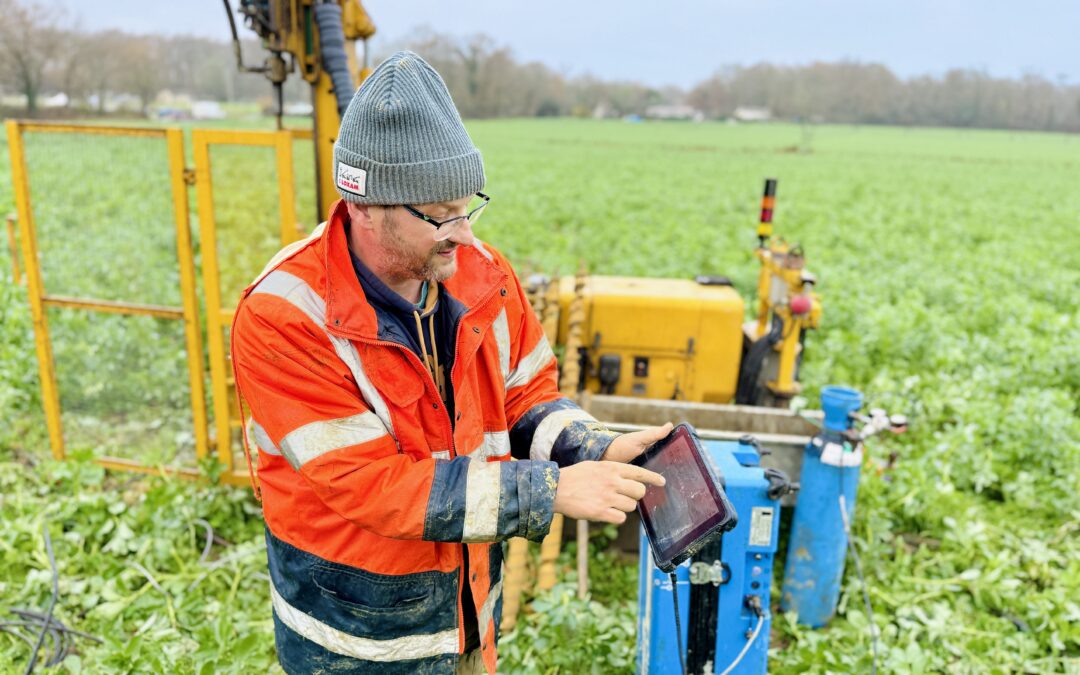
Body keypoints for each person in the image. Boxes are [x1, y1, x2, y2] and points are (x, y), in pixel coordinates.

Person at [231, 50, 670, 675]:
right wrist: (546, 490)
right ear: (365, 205)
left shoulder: (481, 274)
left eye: (469, 207)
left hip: (467, 613)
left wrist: (592, 447)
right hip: (356, 641)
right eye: (439, 215)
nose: (464, 234)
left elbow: (523, 396)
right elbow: (373, 485)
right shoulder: (285, 316)